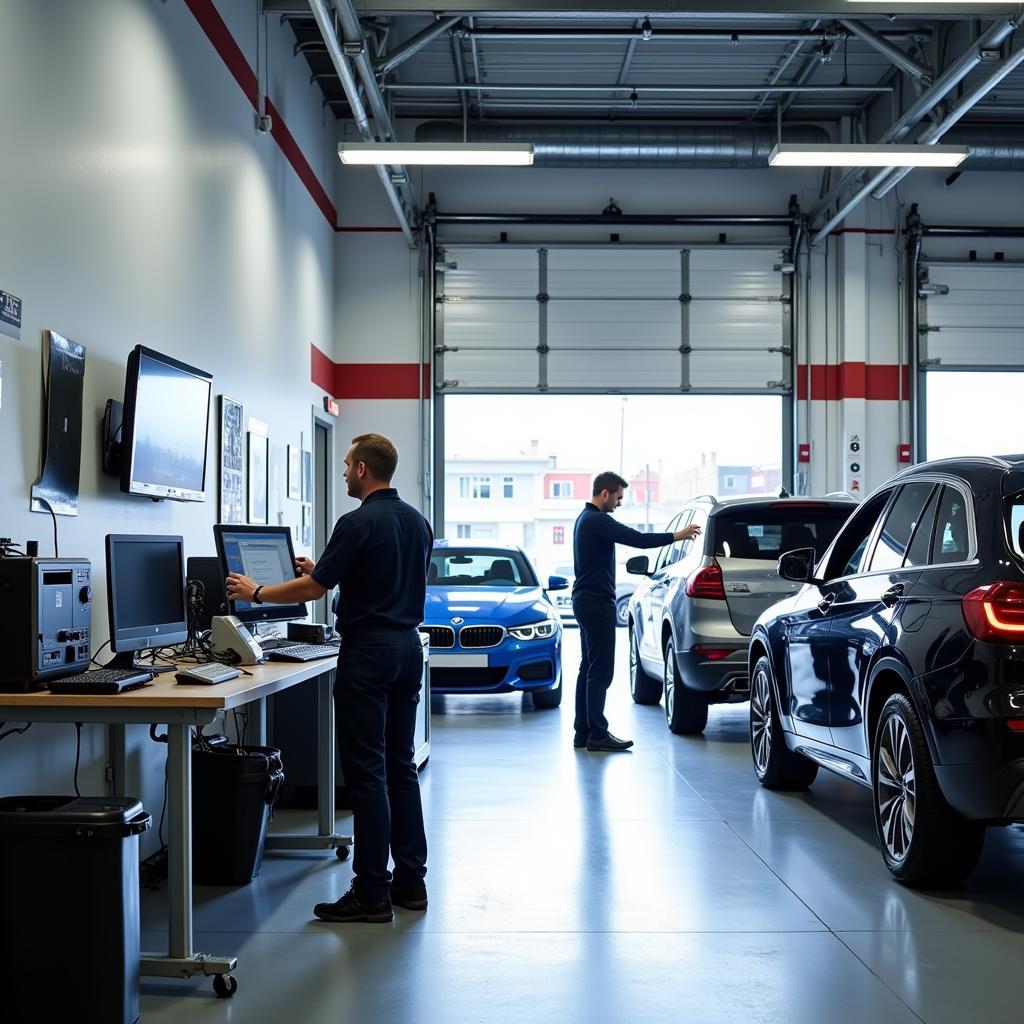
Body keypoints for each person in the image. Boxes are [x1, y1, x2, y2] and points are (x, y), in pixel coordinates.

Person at [226, 432, 432, 924]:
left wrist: (256, 592)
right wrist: (322, 567)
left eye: (346, 465)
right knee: (400, 767)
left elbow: (316, 588)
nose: (342, 472)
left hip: (370, 654)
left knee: (368, 774)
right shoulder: (417, 522)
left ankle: (370, 893)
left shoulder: (357, 521)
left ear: (363, 469)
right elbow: (375, 577)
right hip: (406, 648)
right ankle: (410, 883)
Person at [572, 471, 701, 752]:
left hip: (584, 601)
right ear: (604, 493)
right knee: (601, 672)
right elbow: (638, 539)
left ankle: (583, 732)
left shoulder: (583, 519)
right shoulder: (597, 521)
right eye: (618, 497)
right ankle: (597, 734)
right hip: (597, 604)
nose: (619, 503)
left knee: (588, 668)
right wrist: (677, 536)